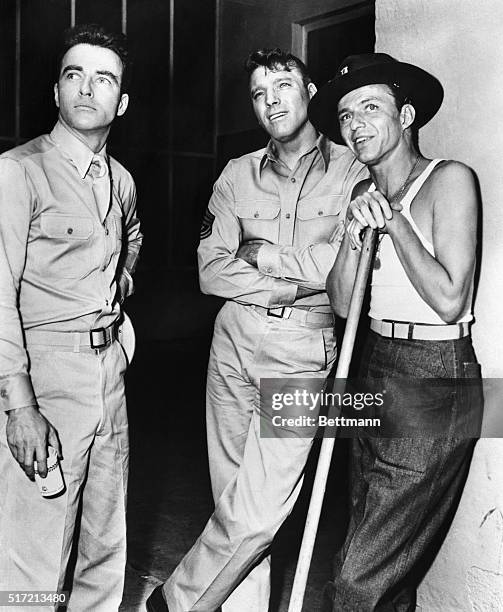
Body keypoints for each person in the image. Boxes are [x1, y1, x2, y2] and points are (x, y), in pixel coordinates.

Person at [146, 48, 366, 612]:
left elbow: (347, 269)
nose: (272, 102)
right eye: (259, 94)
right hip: (231, 344)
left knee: (259, 510)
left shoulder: (353, 172)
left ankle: (175, 601)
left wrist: (266, 256)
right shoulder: (235, 172)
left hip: (302, 351)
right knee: (231, 500)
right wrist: (293, 280)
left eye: (284, 87)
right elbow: (210, 269)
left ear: (311, 92)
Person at [307, 53, 481, 611]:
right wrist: (358, 235)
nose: (355, 123)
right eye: (344, 114)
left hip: (435, 374)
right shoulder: (360, 196)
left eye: (370, 107)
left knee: (359, 577)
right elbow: (340, 301)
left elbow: (451, 300)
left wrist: (396, 222)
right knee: (374, 551)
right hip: (375, 361)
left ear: (405, 115)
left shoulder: (449, 179)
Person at [0, 24, 142, 611]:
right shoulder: (18, 170)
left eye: (104, 78)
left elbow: (129, 241)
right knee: (35, 551)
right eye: (73, 74)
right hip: (46, 373)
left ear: (122, 102)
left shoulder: (122, 180)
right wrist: (20, 404)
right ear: (55, 92)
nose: (87, 88)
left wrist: (116, 287)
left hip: (109, 370)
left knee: (105, 541)